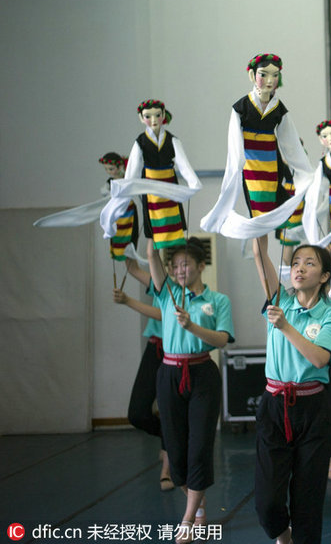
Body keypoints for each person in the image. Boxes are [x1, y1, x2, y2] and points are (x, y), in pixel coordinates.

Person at [251, 235, 331, 544]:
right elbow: (258, 252)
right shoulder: (278, 300)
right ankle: (283, 536)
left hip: (312, 409)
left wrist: (286, 327)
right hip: (274, 405)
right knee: (267, 502)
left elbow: (320, 358)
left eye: (309, 263)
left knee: (308, 500)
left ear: (325, 276)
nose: (299, 268)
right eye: (295, 263)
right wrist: (261, 223)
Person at [147, 237, 234, 544]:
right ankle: (196, 501)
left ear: (200, 266)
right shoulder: (166, 294)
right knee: (176, 452)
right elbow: (151, 255)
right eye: (176, 265)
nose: (181, 269)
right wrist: (152, 221)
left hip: (202, 373)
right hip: (169, 373)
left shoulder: (218, 300)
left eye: (187, 264)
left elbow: (223, 339)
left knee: (199, 447)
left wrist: (192, 327)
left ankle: (189, 517)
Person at [200, 53, 314, 246]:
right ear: (252, 76)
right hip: (250, 166)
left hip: (271, 167)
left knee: (266, 219)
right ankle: (265, 272)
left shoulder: (279, 109)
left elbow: (291, 144)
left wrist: (306, 174)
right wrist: (237, 167)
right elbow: (234, 144)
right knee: (258, 219)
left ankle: (266, 273)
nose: (270, 80)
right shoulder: (241, 107)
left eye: (275, 75)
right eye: (264, 74)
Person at [101, 100, 202, 250]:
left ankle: (168, 266)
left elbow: (184, 165)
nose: (153, 120)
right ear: (141, 119)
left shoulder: (172, 140)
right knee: (152, 239)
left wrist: (194, 185)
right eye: (148, 116)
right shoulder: (140, 142)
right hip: (150, 190)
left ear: (163, 116)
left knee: (172, 230)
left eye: (157, 115)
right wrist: (127, 189)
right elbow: (132, 171)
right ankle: (156, 272)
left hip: (169, 188)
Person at [112, 257, 172, 491]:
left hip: (176, 354)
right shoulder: (158, 284)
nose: (172, 269)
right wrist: (123, 242)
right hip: (155, 349)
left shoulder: (182, 290)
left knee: (168, 411)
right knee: (137, 413)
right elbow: (132, 267)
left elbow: (162, 315)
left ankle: (167, 465)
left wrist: (128, 300)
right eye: (169, 264)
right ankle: (170, 439)